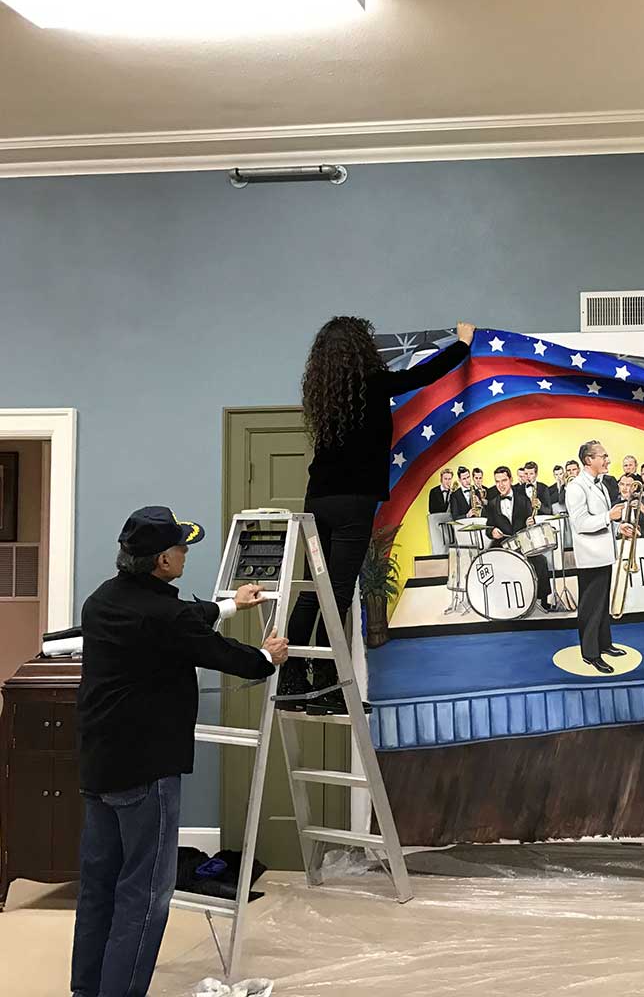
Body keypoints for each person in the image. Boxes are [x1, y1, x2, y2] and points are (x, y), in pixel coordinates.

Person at [73, 507, 289, 997]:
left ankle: (86, 991)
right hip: (146, 771)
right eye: (181, 548)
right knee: (145, 895)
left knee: (100, 889)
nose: (187, 553)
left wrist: (231, 605)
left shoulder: (102, 601)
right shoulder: (163, 616)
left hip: (99, 767)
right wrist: (265, 658)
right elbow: (218, 652)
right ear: (162, 560)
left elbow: (181, 620)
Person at [285, 316, 474, 713]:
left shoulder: (326, 395)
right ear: (360, 350)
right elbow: (424, 374)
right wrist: (462, 344)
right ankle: (324, 686)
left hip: (317, 500)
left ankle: (290, 681)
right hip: (353, 502)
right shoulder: (372, 383)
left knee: (313, 592)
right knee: (337, 595)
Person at [565, 440, 634, 673]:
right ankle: (591, 654)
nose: (607, 460)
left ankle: (604, 644)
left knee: (602, 604)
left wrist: (618, 528)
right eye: (603, 456)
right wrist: (609, 516)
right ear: (588, 460)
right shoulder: (575, 487)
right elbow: (580, 523)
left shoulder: (602, 485)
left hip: (604, 555)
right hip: (590, 557)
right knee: (591, 607)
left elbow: (605, 522)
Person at [485, 466, 557, 612]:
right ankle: (499, 601)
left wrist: (530, 523)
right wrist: (492, 532)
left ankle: (543, 599)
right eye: (497, 481)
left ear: (510, 480)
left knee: (541, 561)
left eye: (504, 480)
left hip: (522, 543)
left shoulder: (523, 499)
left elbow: (529, 521)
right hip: (502, 546)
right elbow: (488, 528)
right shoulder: (492, 504)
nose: (501, 485)